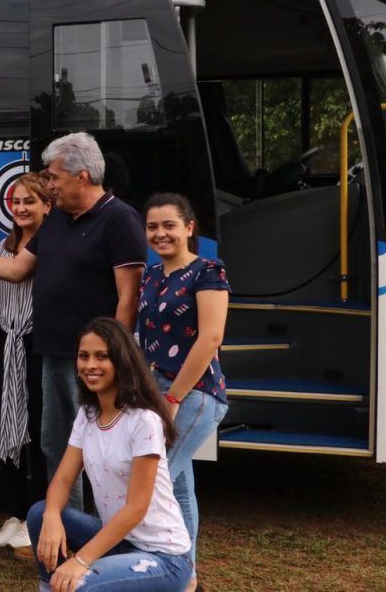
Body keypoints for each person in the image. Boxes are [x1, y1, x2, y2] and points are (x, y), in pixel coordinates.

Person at [0, 133, 147, 511]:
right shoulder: (58, 221)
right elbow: (15, 270)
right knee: (57, 444)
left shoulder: (120, 219)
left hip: (93, 361)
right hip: (51, 351)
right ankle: (68, 526)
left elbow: (128, 297)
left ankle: (101, 530)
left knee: (101, 447)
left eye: (53, 177)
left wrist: (117, 358)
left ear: (81, 176)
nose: (48, 185)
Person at [27, 317, 192, 591]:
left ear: (121, 361)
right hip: (119, 543)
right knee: (40, 513)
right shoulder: (87, 415)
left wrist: (80, 560)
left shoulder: (144, 421)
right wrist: (53, 517)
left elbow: (136, 508)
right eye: (83, 356)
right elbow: (63, 480)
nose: (90, 365)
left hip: (164, 557)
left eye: (102, 356)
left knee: (80, 584)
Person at [139, 193, 230, 592]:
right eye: (153, 227)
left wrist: (172, 398)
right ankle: (187, 578)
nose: (160, 234)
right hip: (156, 390)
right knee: (177, 486)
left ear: (189, 228)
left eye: (169, 225)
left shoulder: (208, 271)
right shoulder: (151, 274)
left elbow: (210, 339)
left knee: (151, 485)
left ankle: (158, 575)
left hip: (193, 395)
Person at [0, 174, 50, 553]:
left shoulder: (50, 244)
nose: (22, 208)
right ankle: (14, 511)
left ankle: (36, 515)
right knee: (6, 425)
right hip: (7, 342)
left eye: (31, 201)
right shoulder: (3, 244)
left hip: (37, 342)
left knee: (40, 432)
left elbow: (18, 275)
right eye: (17, 201)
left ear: (47, 205)